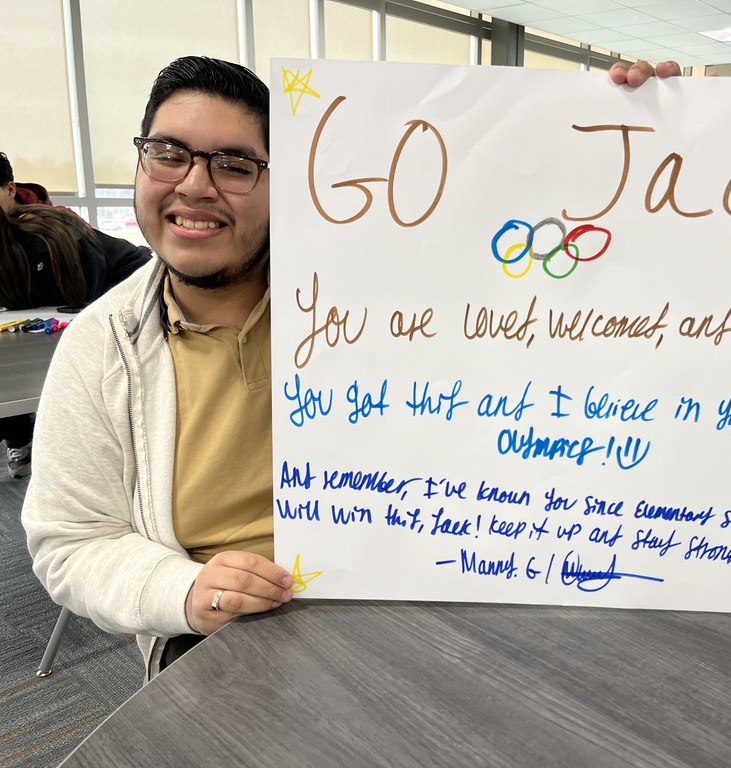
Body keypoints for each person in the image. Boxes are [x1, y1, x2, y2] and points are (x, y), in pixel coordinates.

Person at [22, 55, 680, 680]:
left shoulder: (385, 297)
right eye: (168, 154)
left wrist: (649, 127)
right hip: (229, 640)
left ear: (285, 181)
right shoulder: (102, 347)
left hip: (428, 598)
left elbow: (566, 299)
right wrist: (184, 589)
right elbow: (71, 541)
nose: (195, 184)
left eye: (234, 164)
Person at [0, 204, 152, 477]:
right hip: (90, 306)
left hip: (138, 287)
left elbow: (83, 301)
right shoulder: (13, 258)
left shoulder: (41, 239)